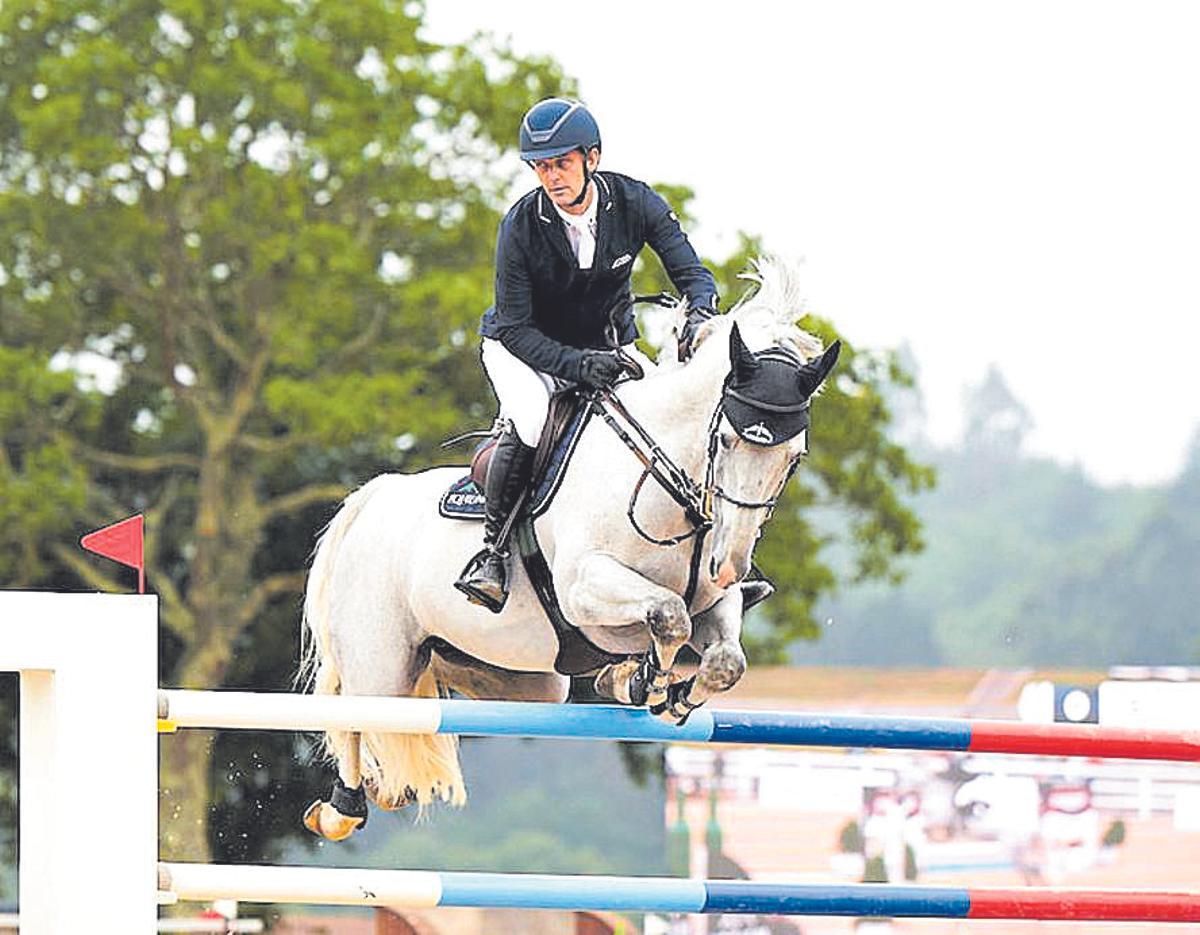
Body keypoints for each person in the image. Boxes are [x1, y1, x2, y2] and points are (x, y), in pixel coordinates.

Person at [454, 97, 720, 612]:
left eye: (562, 164)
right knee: (532, 423)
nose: (551, 178)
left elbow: (691, 272)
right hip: (524, 352)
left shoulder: (636, 202)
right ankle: (492, 554)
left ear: (591, 159)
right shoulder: (520, 227)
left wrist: (702, 311)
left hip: (607, 346)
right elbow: (514, 327)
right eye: (542, 167)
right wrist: (577, 366)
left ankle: (712, 553)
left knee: (670, 415)